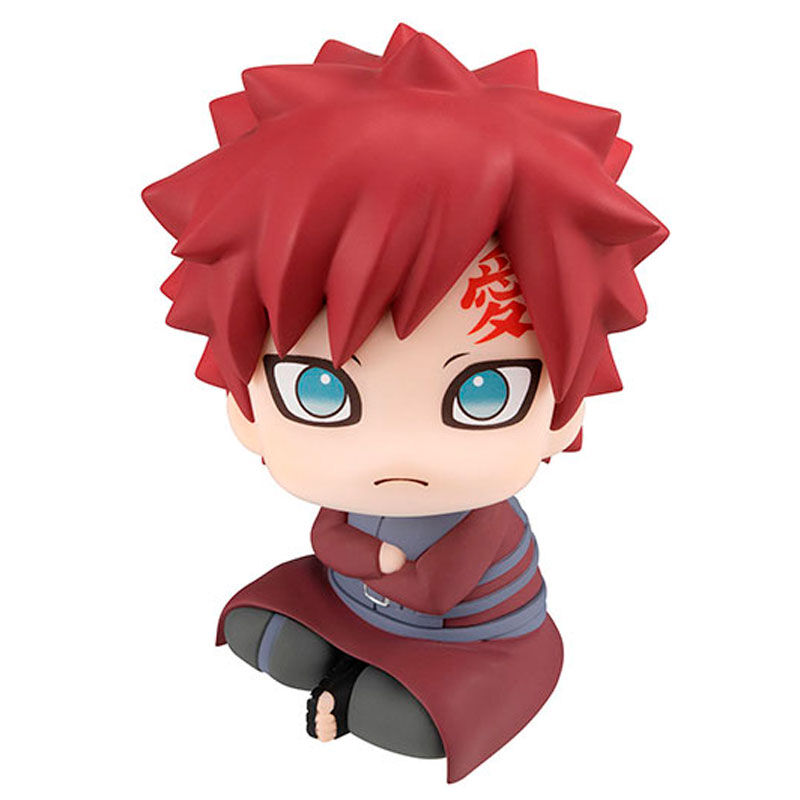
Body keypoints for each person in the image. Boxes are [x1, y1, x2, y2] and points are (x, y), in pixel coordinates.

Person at [142, 23, 667, 782]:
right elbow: (329, 539)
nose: (398, 454)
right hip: (352, 599)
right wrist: (373, 563)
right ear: (242, 401)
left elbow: (436, 590)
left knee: (411, 718)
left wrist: (373, 560)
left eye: (484, 391)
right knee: (265, 630)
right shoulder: (351, 499)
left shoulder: (481, 519)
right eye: (320, 389)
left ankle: (374, 685)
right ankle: (351, 671)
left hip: (474, 636)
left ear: (568, 407)